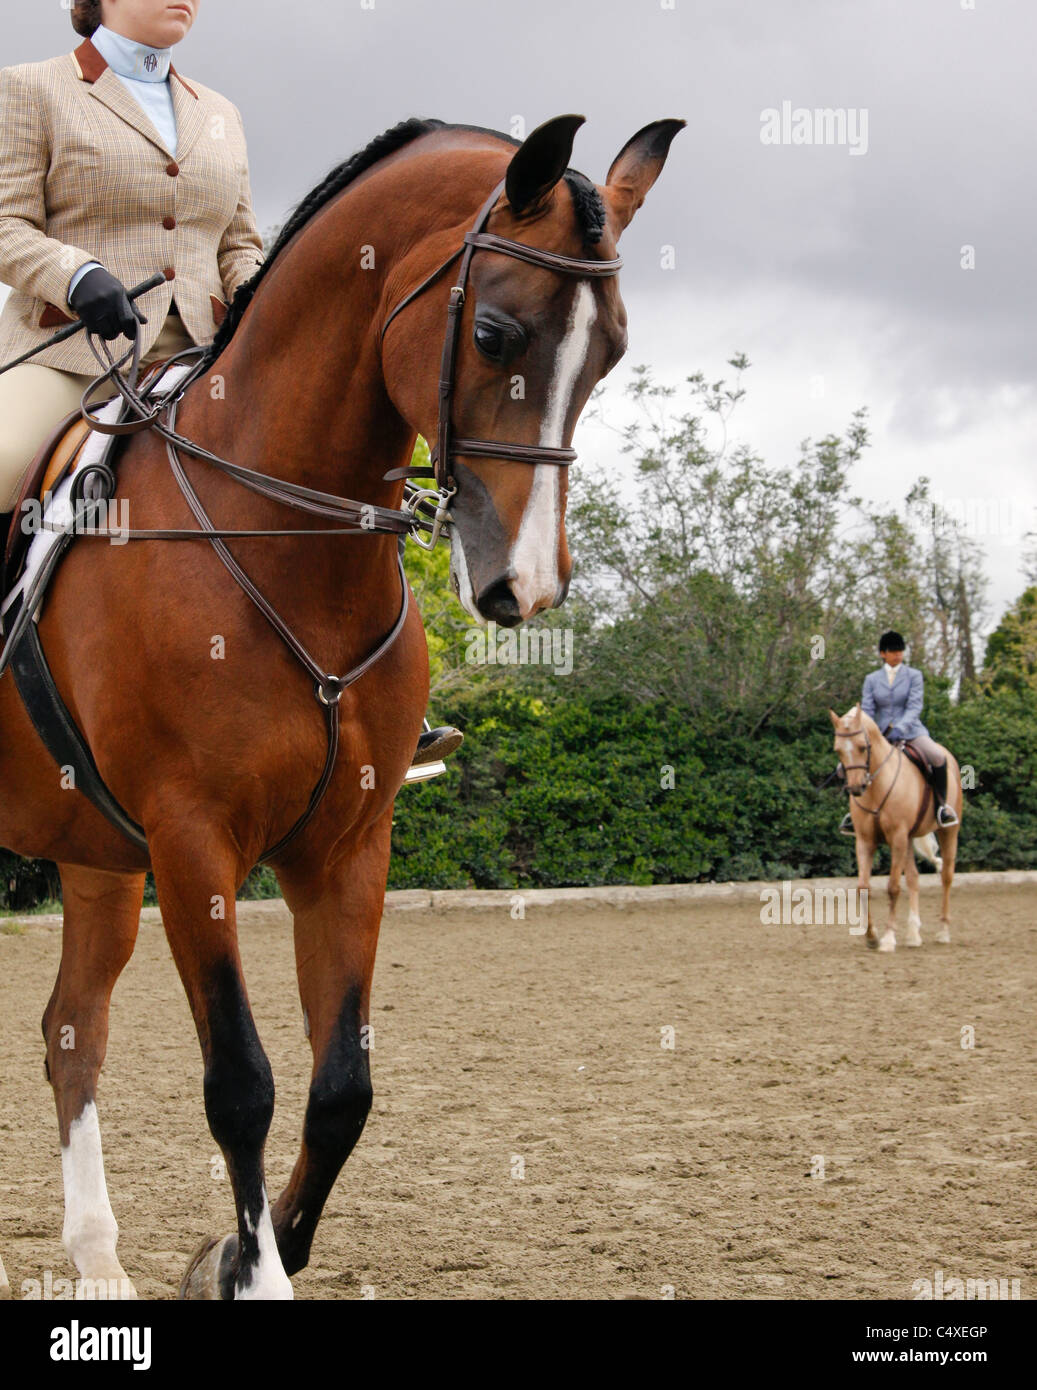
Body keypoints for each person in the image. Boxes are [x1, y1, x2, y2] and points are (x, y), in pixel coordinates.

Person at [0, 0, 459, 773]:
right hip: (74, 352)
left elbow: (240, 244)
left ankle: (376, 701)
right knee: (4, 458)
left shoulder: (218, 113)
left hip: (207, 359)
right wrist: (77, 275)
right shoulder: (32, 89)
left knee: (330, 480)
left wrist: (268, 306)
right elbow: (7, 225)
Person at [839, 630, 958, 833]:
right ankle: (853, 815)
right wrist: (870, 732)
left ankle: (942, 807)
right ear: (882, 654)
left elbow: (914, 706)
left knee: (938, 757)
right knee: (844, 767)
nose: (898, 655)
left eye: (900, 651)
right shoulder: (871, 679)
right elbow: (866, 711)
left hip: (912, 732)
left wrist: (901, 727)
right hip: (880, 736)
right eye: (893, 652)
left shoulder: (914, 676)